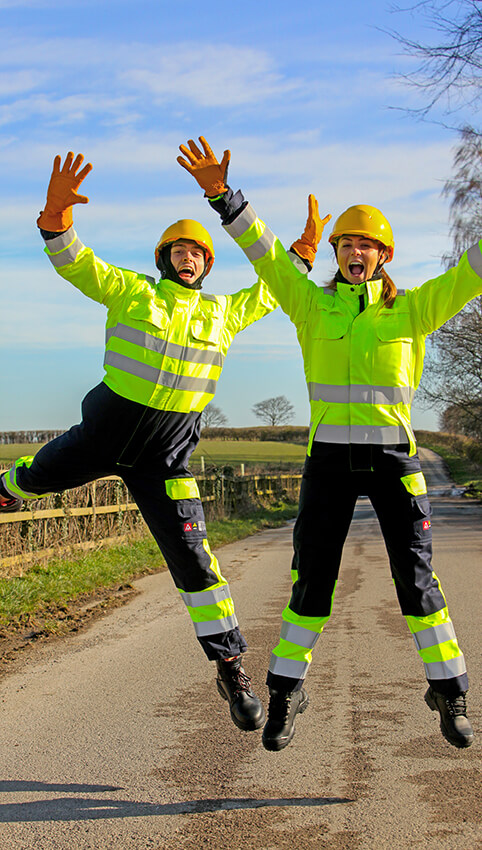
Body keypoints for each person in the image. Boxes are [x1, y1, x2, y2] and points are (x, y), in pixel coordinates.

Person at [178, 136, 480, 751]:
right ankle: (287, 694)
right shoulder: (311, 306)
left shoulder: (414, 309)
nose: (354, 252)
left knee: (417, 584)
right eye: (345, 243)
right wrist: (222, 195)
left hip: (395, 461)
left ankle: (449, 694)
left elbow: (472, 271)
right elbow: (266, 255)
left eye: (367, 244)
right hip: (329, 463)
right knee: (311, 583)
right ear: (337, 253)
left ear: (384, 254)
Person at [0, 150, 303, 733]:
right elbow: (77, 263)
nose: (187, 258)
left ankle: (232, 666)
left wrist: (303, 253)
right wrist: (56, 217)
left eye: (196, 253)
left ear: (207, 264)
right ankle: (6, 490)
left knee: (196, 563)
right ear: (163, 258)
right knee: (33, 474)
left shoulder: (223, 314)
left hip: (166, 461)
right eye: (177, 251)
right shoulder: (132, 290)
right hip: (101, 437)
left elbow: (274, 290)